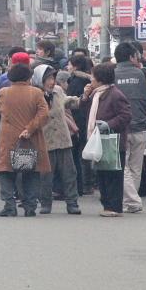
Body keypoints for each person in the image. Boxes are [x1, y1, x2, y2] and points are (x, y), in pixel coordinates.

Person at [0, 63, 50, 217]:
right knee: (31, 171)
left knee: (6, 171)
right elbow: (44, 114)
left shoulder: (4, 92)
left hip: (9, 138)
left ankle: (9, 205)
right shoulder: (37, 93)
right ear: (28, 77)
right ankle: (30, 206)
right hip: (31, 138)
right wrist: (30, 128)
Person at [80, 63, 132, 217]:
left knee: (113, 175)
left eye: (93, 76)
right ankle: (107, 205)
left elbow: (126, 115)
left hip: (113, 141)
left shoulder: (115, 94)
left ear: (100, 78)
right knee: (102, 173)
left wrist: (108, 124)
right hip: (99, 140)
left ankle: (114, 207)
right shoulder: (96, 93)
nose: (91, 79)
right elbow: (84, 110)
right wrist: (85, 96)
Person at [34, 65, 81, 215]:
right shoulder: (34, 94)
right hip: (45, 139)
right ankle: (45, 203)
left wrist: (82, 99)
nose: (51, 82)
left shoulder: (58, 91)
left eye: (53, 78)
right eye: (48, 78)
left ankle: (72, 203)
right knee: (46, 174)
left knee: (69, 173)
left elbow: (67, 102)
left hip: (62, 138)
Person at [113, 42, 146, 213]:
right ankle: (131, 201)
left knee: (123, 165)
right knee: (136, 166)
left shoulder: (111, 74)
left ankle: (131, 201)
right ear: (131, 57)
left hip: (121, 127)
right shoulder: (143, 74)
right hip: (140, 125)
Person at [67, 54, 93, 195]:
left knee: (77, 154)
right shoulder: (89, 80)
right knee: (85, 153)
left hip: (77, 120)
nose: (68, 67)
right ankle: (87, 184)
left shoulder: (76, 82)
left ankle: (81, 185)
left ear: (75, 66)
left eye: (70, 64)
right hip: (87, 120)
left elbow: (71, 103)